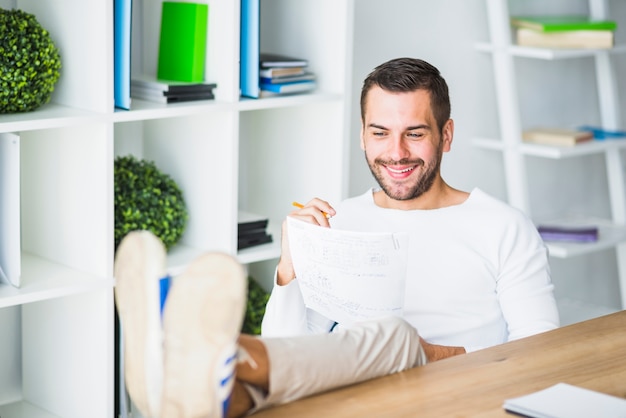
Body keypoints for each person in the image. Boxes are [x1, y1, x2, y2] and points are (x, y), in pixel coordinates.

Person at [114, 57, 559, 418]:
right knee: (274, 386)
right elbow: (289, 346)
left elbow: (540, 354)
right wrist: (290, 270)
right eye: (380, 133)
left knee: (395, 337)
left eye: (415, 134)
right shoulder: (341, 218)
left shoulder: (502, 225)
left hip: (459, 397)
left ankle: (193, 351)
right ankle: (204, 392)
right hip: (353, 398)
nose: (396, 152)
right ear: (363, 138)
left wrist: (432, 354)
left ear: (446, 136)